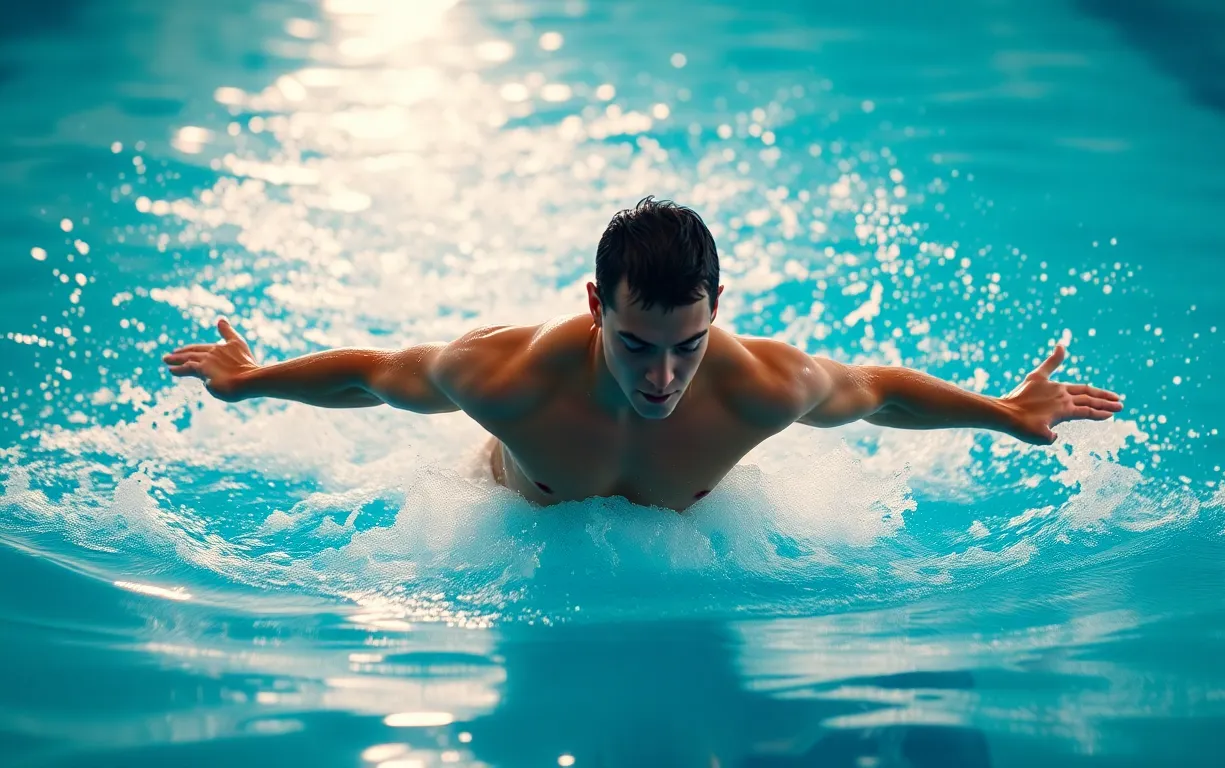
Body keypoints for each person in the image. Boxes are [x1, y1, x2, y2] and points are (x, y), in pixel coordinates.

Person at [163, 197, 1122, 512]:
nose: (663, 377)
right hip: (509, 521)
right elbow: (375, 377)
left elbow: (874, 392)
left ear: (718, 315)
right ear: (595, 308)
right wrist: (251, 382)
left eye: (687, 347)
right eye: (635, 346)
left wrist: (1004, 413)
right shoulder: (506, 378)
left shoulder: (760, 386)